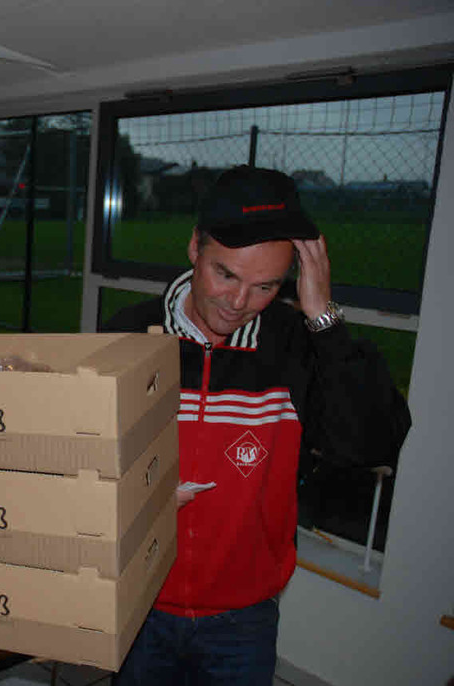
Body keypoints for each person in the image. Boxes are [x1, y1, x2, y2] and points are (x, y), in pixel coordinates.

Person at [101, 166, 411, 685]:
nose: (239, 303)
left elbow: (369, 445)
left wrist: (324, 318)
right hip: (139, 602)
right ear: (195, 246)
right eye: (225, 275)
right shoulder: (128, 334)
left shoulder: (297, 345)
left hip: (242, 620)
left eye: (265, 286)